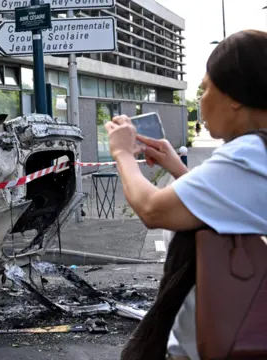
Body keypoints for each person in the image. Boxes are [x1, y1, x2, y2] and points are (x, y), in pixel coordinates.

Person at [104, 29, 267, 360]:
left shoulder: (250, 154)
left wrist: (122, 153)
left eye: (205, 88)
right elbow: (237, 202)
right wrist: (178, 169)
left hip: (220, 347)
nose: (201, 100)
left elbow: (152, 210)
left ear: (234, 96)